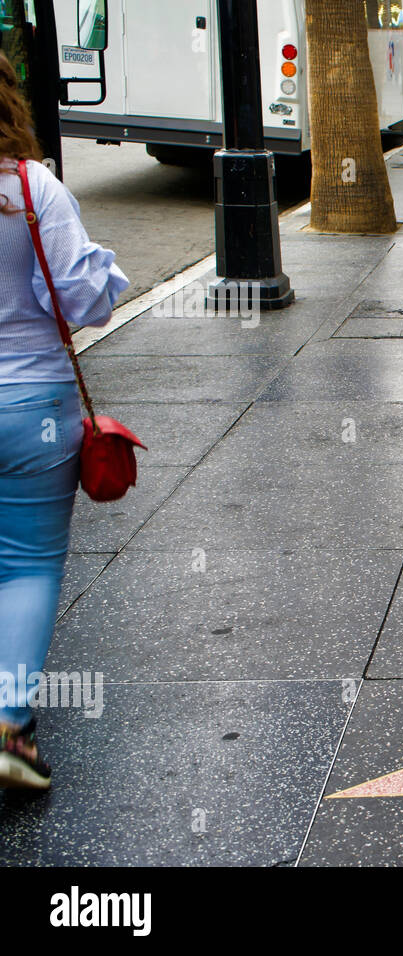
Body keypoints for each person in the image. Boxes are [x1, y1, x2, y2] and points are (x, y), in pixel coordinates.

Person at [0, 53, 127, 790]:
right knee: (26, 564)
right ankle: (10, 724)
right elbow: (82, 298)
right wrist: (108, 271)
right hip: (31, 406)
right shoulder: (29, 187)